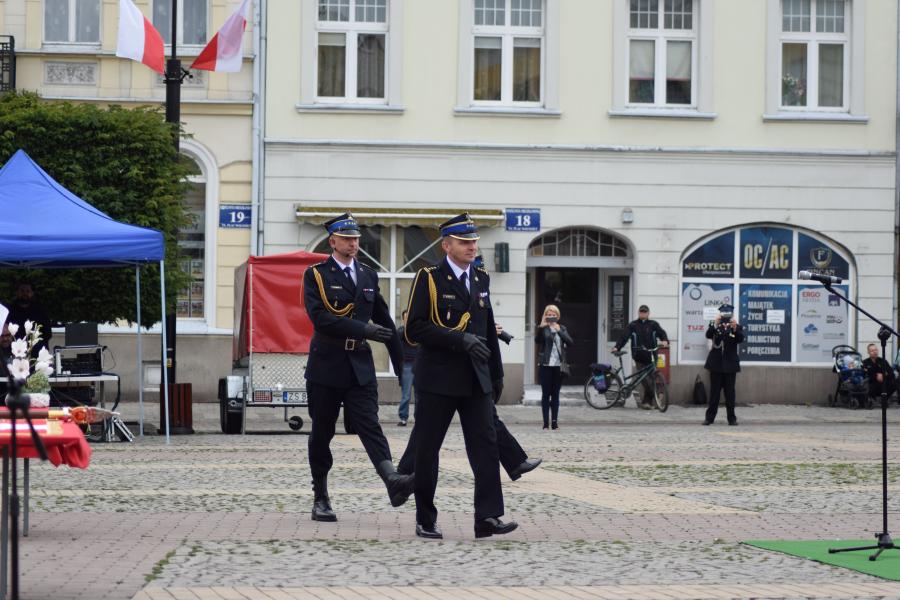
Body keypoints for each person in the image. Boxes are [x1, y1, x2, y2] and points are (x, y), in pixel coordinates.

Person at [404, 212, 517, 540]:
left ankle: (488, 517)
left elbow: (486, 330)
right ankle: (425, 517)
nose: (472, 246)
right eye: (465, 242)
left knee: (486, 447)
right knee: (427, 450)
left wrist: (496, 375)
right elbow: (416, 328)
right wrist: (459, 339)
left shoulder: (481, 278)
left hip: (474, 379)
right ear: (447, 245)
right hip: (437, 379)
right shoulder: (429, 278)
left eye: (474, 241)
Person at [302, 212, 413, 522]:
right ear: (332, 241)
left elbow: (384, 319)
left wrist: (399, 361)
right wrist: (364, 331)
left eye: (356, 239)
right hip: (327, 364)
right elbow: (321, 319)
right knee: (322, 433)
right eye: (347, 238)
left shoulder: (367, 274)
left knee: (370, 426)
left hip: (359, 367)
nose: (353, 243)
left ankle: (392, 480)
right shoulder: (317, 275)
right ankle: (321, 495)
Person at [396, 321, 542, 483]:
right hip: (442, 368)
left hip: (470, 369)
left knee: (489, 419)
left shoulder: (474, 297)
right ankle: (406, 470)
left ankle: (516, 462)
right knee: (428, 424)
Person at [613, 304, 668, 409]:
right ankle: (652, 399)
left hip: (652, 356)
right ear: (638, 313)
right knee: (645, 381)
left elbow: (662, 333)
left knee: (652, 379)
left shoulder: (654, 324)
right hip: (638, 356)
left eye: (645, 312)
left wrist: (665, 340)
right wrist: (617, 347)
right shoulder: (633, 325)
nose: (643, 313)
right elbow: (624, 336)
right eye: (641, 312)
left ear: (648, 313)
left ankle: (647, 402)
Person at [703, 304, 744, 426]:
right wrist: (715, 324)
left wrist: (735, 328)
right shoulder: (715, 325)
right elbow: (708, 335)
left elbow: (741, 339)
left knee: (730, 394)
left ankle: (732, 418)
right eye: (724, 313)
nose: (726, 316)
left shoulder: (736, 327)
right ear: (720, 314)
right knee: (714, 393)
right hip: (716, 365)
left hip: (730, 366)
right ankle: (709, 418)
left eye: (728, 313)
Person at [534, 304, 573, 430]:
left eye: (553, 315)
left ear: (557, 316)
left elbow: (570, 342)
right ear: (546, 316)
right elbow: (537, 341)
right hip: (545, 365)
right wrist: (541, 326)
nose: (551, 317)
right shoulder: (544, 329)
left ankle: (555, 422)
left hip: (558, 367)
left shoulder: (562, 328)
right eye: (549, 315)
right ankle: (546, 423)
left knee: (555, 394)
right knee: (545, 394)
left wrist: (558, 330)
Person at [7, 282, 52, 356]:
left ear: (32, 293)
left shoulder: (40, 311)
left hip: (36, 352)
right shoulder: (9, 311)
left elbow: (47, 334)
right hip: (15, 352)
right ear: (17, 292)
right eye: (22, 291)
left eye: (28, 291)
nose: (24, 294)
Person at [396, 310, 417, 426]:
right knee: (406, 394)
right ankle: (403, 417)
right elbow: (397, 340)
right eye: (406, 318)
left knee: (419, 395)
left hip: (419, 365)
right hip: (407, 365)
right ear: (403, 319)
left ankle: (418, 417)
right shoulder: (401, 331)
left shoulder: (418, 331)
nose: (408, 319)